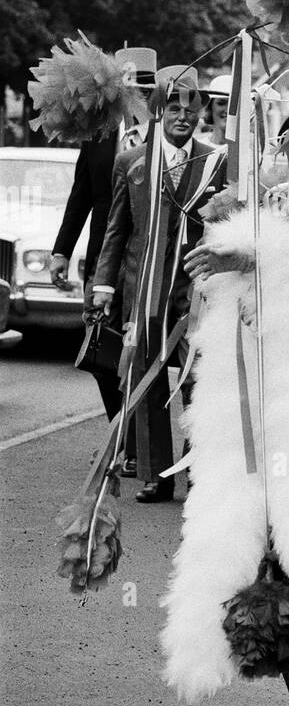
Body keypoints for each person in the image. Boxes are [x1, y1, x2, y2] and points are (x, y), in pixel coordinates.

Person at [91, 66, 226, 502]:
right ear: (158, 111)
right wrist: (103, 286)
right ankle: (155, 473)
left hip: (195, 290)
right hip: (142, 285)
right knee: (145, 380)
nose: (183, 116)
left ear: (201, 113)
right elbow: (116, 228)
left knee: (197, 377)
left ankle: (196, 464)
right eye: (173, 107)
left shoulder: (216, 162)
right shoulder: (131, 162)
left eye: (192, 107)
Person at [49, 47, 156, 458]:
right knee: (101, 350)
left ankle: (143, 442)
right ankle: (123, 433)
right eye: (131, 89)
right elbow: (81, 194)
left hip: (147, 259)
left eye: (146, 89)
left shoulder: (168, 133)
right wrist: (62, 251)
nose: (138, 97)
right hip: (101, 258)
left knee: (143, 351)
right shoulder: (98, 133)